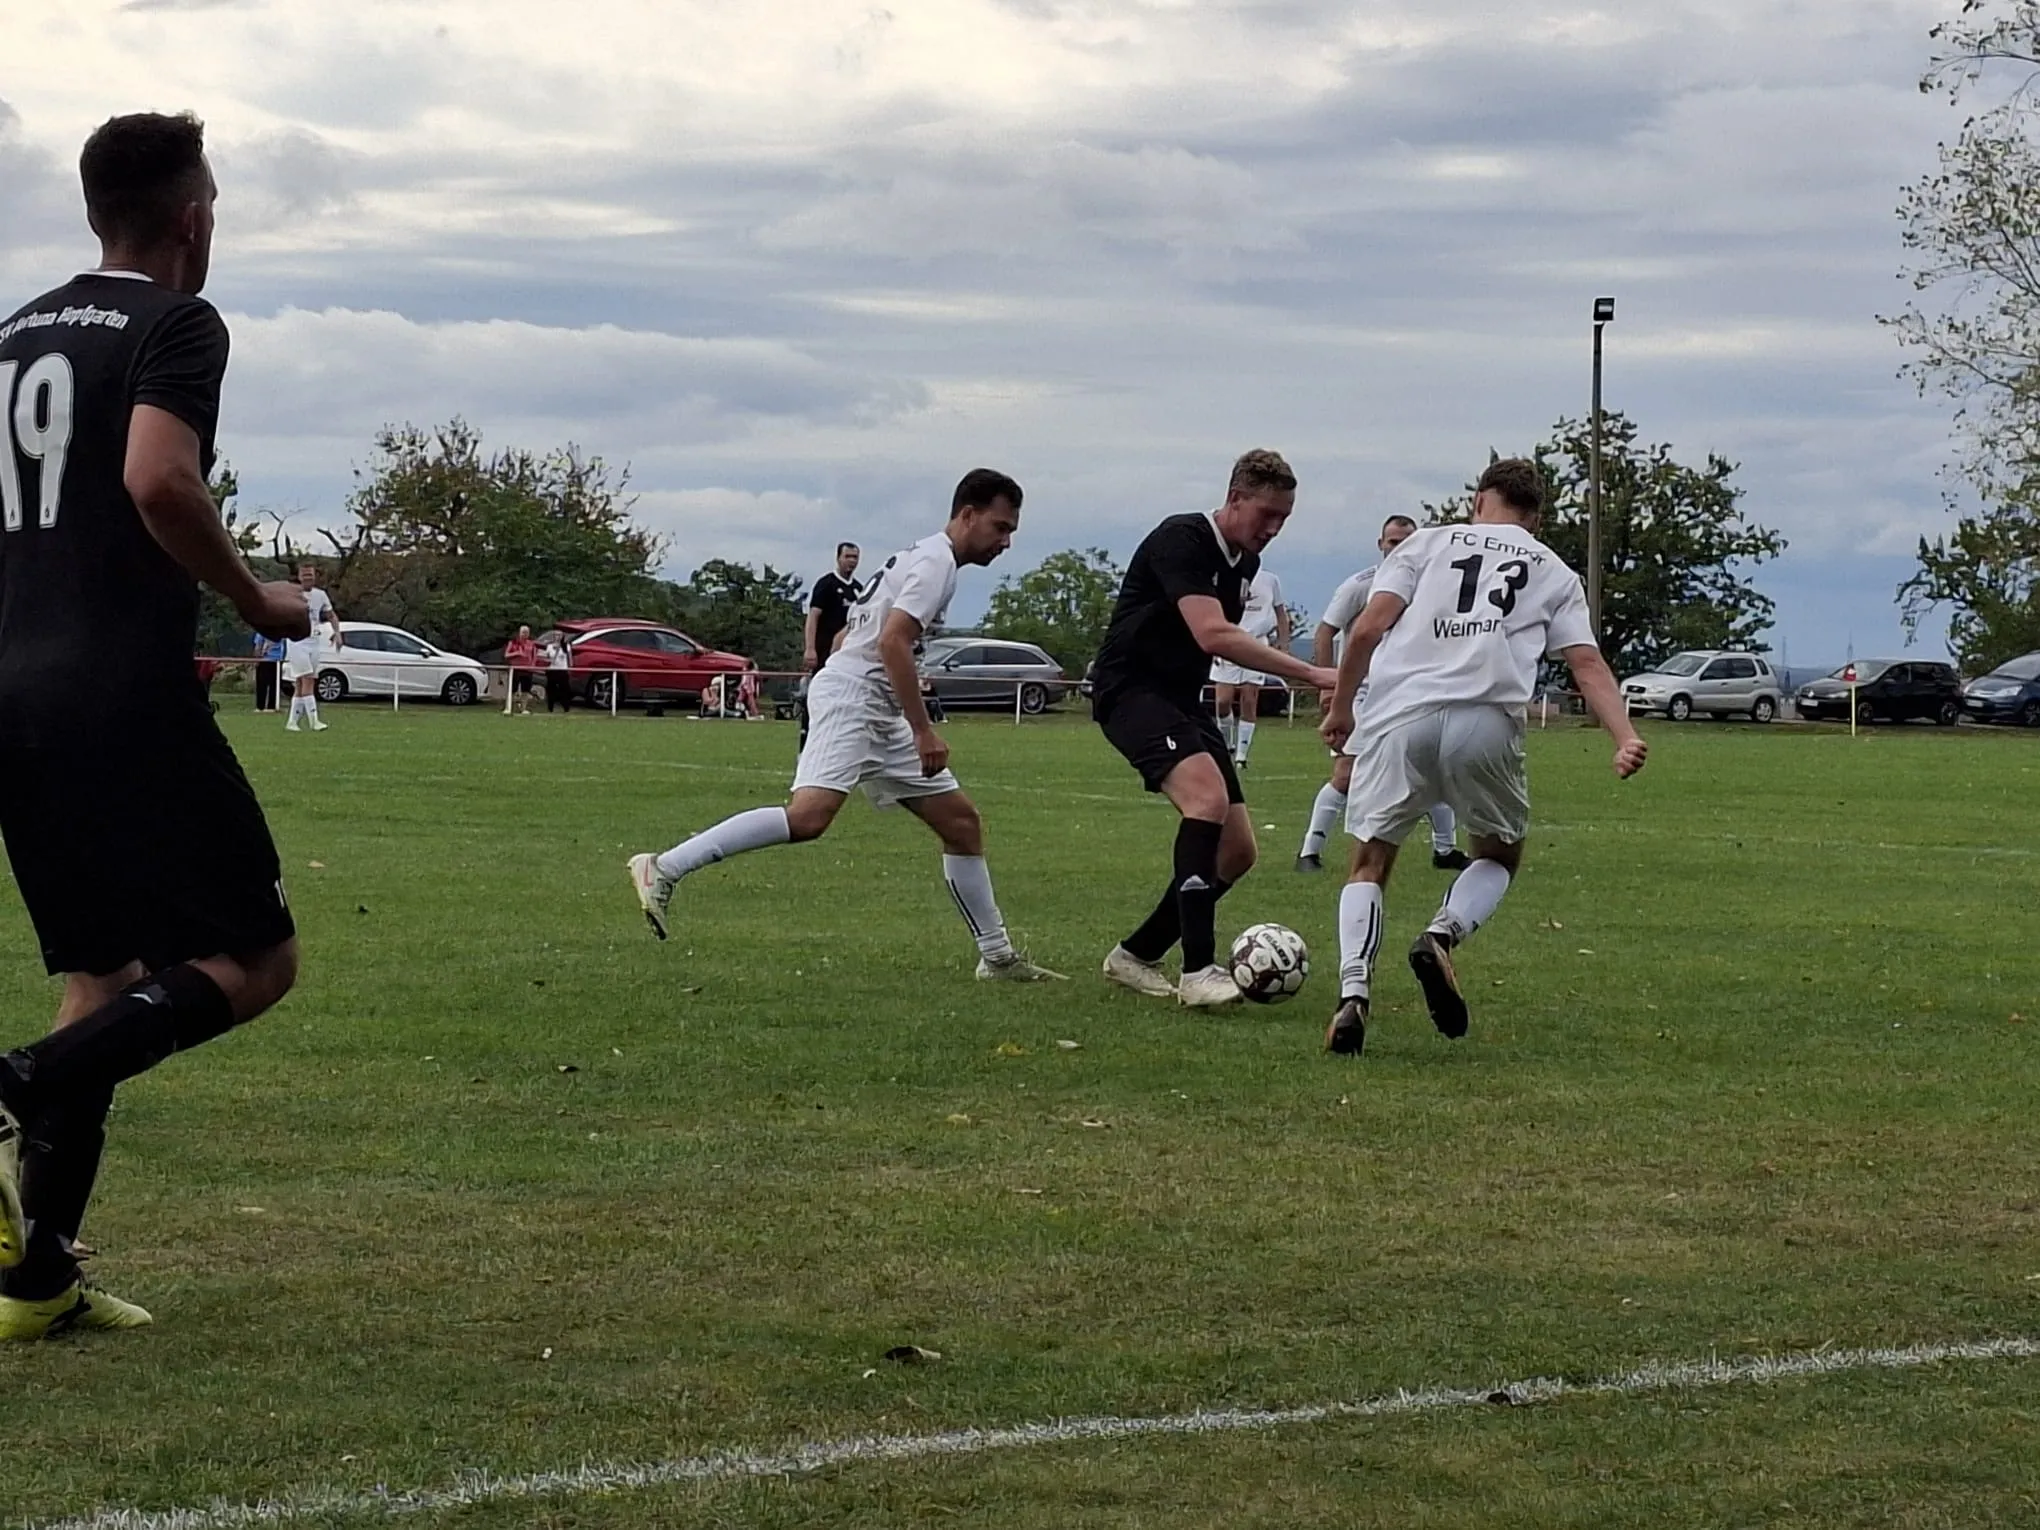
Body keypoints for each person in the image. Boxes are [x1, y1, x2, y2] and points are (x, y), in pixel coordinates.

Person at [0, 111, 309, 1338]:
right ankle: (20, 1080)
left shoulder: (13, 333)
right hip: (117, 692)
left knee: (106, 977)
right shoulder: (178, 323)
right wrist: (256, 601)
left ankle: (39, 1280)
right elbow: (157, 478)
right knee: (257, 959)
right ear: (191, 217)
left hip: (14, 693)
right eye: (215, 203)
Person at [627, 471, 1060, 982]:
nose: (1005, 542)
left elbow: (850, 637)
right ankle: (664, 867)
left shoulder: (920, 556)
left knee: (961, 825)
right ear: (968, 514)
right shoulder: (937, 563)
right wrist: (922, 729)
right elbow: (892, 642)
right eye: (1000, 527)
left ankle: (998, 957)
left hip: (873, 705)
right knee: (808, 818)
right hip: (856, 702)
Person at [1318, 458, 1647, 1057]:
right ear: (1536, 519)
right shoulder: (1552, 569)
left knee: (1369, 860)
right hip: (1485, 720)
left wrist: (1342, 709)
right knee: (1498, 855)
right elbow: (1586, 663)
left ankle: (1354, 994)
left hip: (1399, 716)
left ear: (1478, 501)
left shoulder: (1423, 543)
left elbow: (1366, 630)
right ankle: (1441, 935)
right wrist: (1623, 736)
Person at [1090, 450, 1339, 1007]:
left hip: (1182, 701)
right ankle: (1198, 971)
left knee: (1237, 851)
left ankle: (1134, 955)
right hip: (1130, 691)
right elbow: (1213, 634)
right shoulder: (1182, 539)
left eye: (1284, 518)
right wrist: (1310, 673)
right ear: (1234, 498)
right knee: (1206, 800)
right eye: (1266, 514)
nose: (1273, 528)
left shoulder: (1244, 562)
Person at [1296, 514, 1468, 873]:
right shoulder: (1361, 584)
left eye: (1407, 541)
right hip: (1362, 692)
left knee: (1432, 770)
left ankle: (1445, 850)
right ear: (1380, 545)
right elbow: (1325, 632)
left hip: (1408, 691)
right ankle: (1309, 852)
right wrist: (1329, 687)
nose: (1399, 547)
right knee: (1346, 774)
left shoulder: (1430, 584)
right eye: (1393, 541)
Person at [1211, 565, 1287, 767]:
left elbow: (1280, 613)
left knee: (1249, 699)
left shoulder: (1270, 580)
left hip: (1256, 644)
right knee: (1222, 701)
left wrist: (1283, 644)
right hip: (1228, 642)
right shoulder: (1224, 576)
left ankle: (1241, 756)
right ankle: (1227, 744)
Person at [801, 542, 863, 752]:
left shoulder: (859, 590)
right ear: (838, 558)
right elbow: (813, 617)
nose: (851, 561)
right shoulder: (826, 584)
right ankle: (808, 744)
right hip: (825, 653)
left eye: (855, 557)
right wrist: (810, 648)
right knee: (820, 697)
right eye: (848, 557)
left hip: (849, 656)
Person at [282, 560, 339, 732]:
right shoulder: (292, 594)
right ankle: (314, 721)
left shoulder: (320, 595)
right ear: (299, 576)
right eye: (305, 575)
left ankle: (292, 722)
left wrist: (337, 632)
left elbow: (331, 615)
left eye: (310, 575)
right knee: (308, 680)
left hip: (314, 641)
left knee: (301, 683)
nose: (308, 578)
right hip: (297, 642)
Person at [505, 624, 539, 716]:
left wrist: (533, 666)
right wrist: (517, 653)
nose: (525, 634)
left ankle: (523, 709)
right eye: (523, 632)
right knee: (512, 690)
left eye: (527, 632)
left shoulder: (531, 644)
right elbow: (506, 655)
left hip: (527, 670)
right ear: (519, 633)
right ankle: (509, 708)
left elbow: (534, 656)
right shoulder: (513, 642)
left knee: (525, 690)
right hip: (515, 669)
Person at [250, 629, 284, 712]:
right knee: (275, 685)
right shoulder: (280, 631)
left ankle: (260, 706)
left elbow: (258, 646)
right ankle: (272, 706)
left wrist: (256, 660)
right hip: (277, 660)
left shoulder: (262, 631)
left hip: (264, 660)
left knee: (262, 685)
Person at [542, 629, 573, 713]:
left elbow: (570, 658)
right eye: (556, 635)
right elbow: (546, 658)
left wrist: (570, 668)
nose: (558, 637)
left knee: (565, 689)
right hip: (552, 670)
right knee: (551, 689)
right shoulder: (549, 646)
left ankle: (566, 708)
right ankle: (550, 708)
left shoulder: (566, 646)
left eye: (559, 635)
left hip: (562, 670)